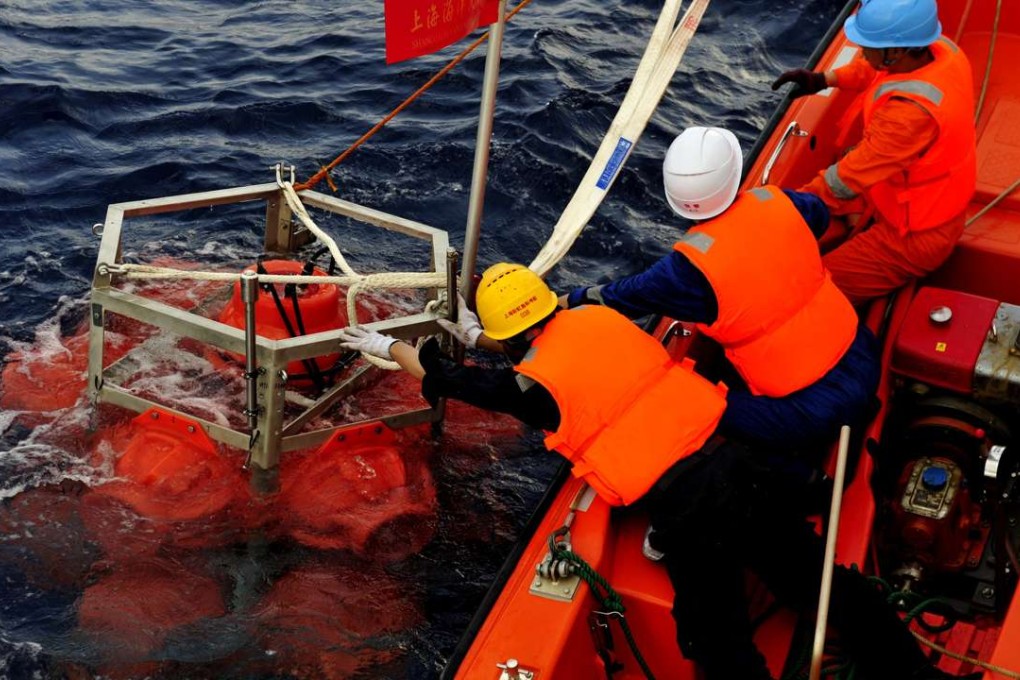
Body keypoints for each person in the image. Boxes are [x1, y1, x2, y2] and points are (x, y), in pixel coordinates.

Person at [338, 262, 975, 680]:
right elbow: (547, 351)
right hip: (744, 464)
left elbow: (459, 381)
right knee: (822, 585)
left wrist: (394, 350)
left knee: (715, 639)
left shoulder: (534, 387)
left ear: (507, 336)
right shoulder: (599, 319)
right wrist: (481, 339)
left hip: (693, 509)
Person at [562, 126, 879, 456]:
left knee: (678, 394)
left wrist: (565, 301)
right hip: (864, 356)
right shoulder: (784, 202)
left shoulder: (684, 271)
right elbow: (819, 216)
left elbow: (617, 297)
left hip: (806, 414)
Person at [771, 0, 977, 305]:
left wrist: (785, 213)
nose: (862, 51)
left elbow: (844, 182)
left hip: (911, 238)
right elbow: (872, 70)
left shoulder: (908, 116)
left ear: (895, 52)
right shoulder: (937, 50)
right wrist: (823, 80)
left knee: (811, 292)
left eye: (869, 45)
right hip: (910, 199)